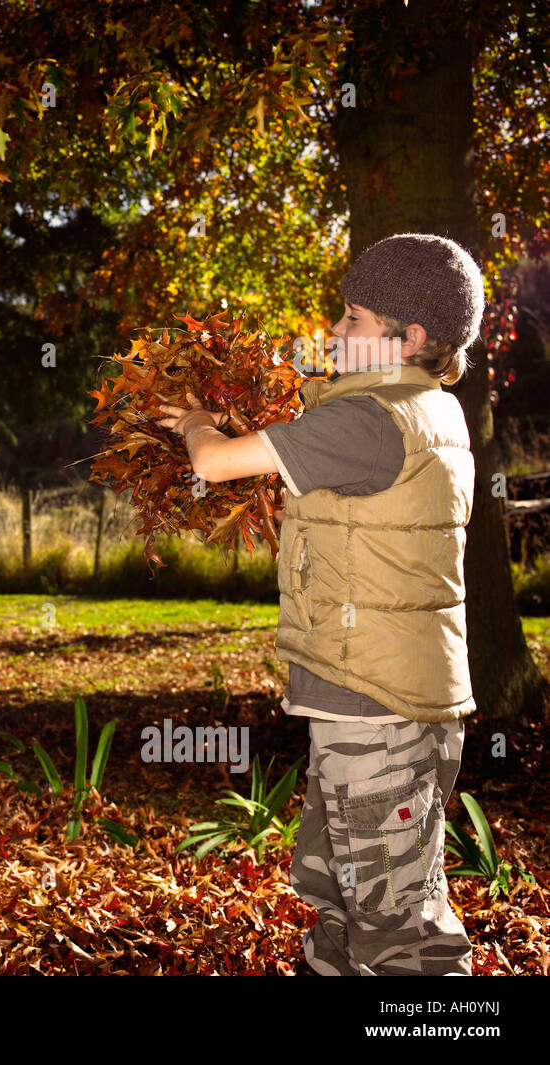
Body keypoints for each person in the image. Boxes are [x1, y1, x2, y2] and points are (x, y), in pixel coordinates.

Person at [155, 233, 483, 975]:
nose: (332, 333)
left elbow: (213, 463)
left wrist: (193, 421)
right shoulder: (426, 407)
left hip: (376, 705)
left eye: (353, 318)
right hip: (381, 697)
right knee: (346, 890)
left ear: (412, 336)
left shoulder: (370, 420)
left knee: (398, 932)